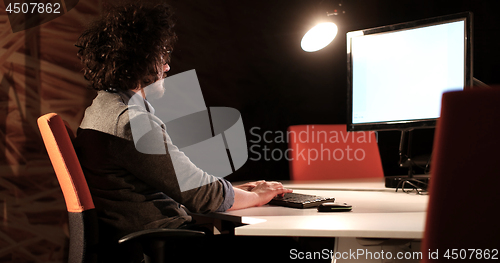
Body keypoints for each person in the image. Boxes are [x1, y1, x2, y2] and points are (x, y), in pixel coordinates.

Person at [73, 2, 292, 262]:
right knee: (291, 250)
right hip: (168, 245)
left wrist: (241, 193)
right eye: (162, 57)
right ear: (140, 61)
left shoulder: (100, 110)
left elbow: (186, 185)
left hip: (152, 241)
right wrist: (256, 197)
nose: (167, 67)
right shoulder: (130, 122)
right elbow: (202, 197)